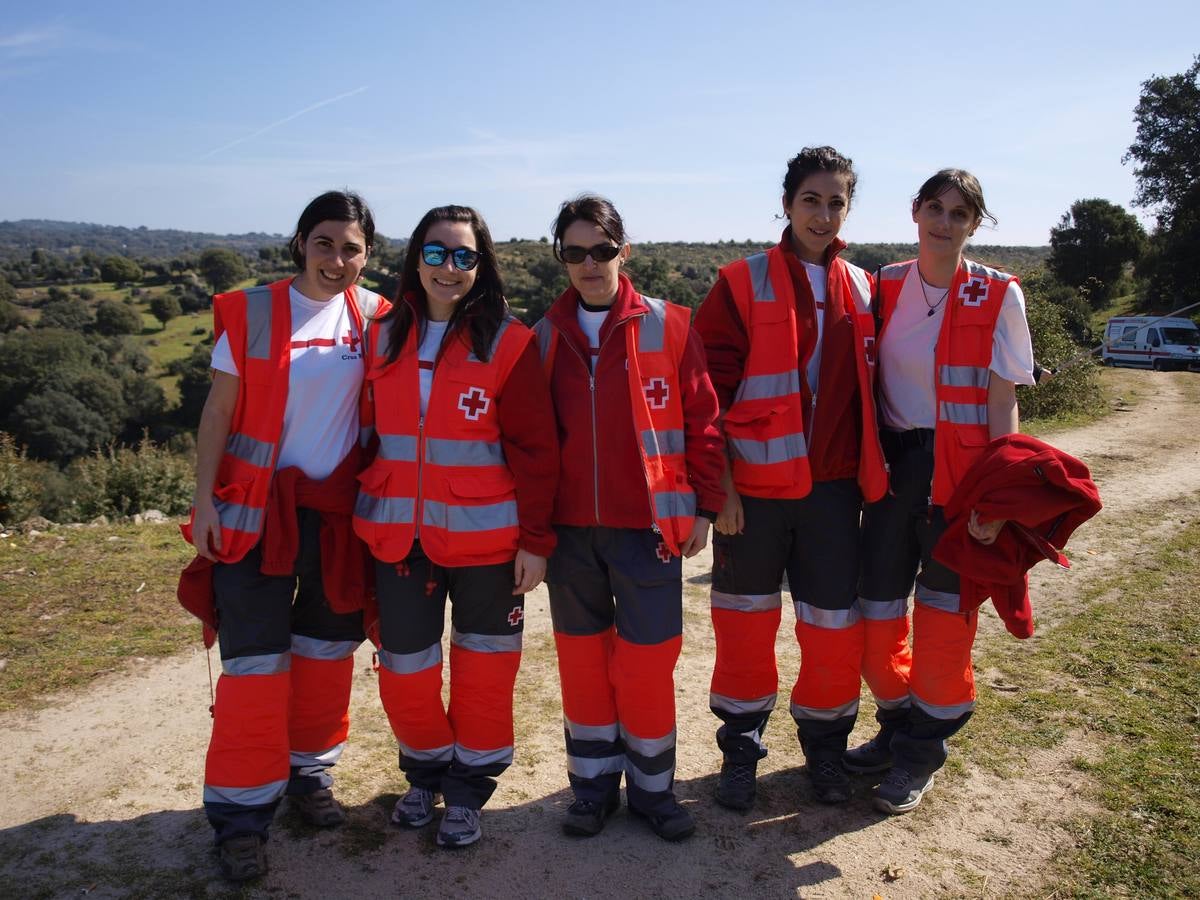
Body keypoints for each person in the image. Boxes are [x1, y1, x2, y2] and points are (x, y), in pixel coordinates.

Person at [179, 190, 384, 881]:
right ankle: (240, 818)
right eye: (324, 243)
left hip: (336, 518)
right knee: (255, 667)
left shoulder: (378, 315)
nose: (337, 259)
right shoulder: (253, 311)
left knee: (328, 652)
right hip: (256, 513)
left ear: (367, 256)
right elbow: (219, 412)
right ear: (300, 243)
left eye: (351, 248)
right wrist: (202, 500)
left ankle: (308, 778)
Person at [353, 205, 558, 848]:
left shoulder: (511, 341)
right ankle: (426, 772)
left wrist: (536, 542)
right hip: (398, 539)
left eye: (463, 256)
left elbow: (536, 451)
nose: (449, 267)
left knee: (485, 674)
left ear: (480, 265)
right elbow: (363, 436)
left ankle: (469, 790)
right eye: (436, 253)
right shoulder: (382, 335)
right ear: (416, 258)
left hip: (487, 544)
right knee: (404, 672)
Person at [693, 147, 888, 810]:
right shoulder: (740, 282)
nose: (824, 214)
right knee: (745, 628)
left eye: (837, 202)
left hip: (834, 494)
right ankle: (741, 752)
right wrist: (720, 488)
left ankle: (826, 753)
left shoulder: (865, 289)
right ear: (787, 203)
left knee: (834, 631)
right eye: (812, 199)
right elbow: (706, 395)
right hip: (753, 496)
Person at [534, 195, 725, 841]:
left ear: (625, 250)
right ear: (560, 257)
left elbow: (703, 422)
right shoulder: (541, 337)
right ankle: (591, 792)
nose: (590, 264)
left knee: (644, 668)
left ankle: (652, 792)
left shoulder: (670, 325)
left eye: (602, 249)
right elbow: (530, 445)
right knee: (584, 670)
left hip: (649, 531)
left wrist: (704, 503)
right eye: (574, 252)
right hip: (570, 537)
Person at [847, 168, 1035, 814]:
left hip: (963, 475)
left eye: (960, 213)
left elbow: (1003, 399)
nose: (945, 222)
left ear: (975, 225)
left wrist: (997, 496)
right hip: (893, 471)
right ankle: (898, 725)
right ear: (915, 212)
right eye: (936, 208)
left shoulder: (999, 293)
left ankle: (922, 752)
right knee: (874, 615)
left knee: (943, 621)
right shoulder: (885, 284)